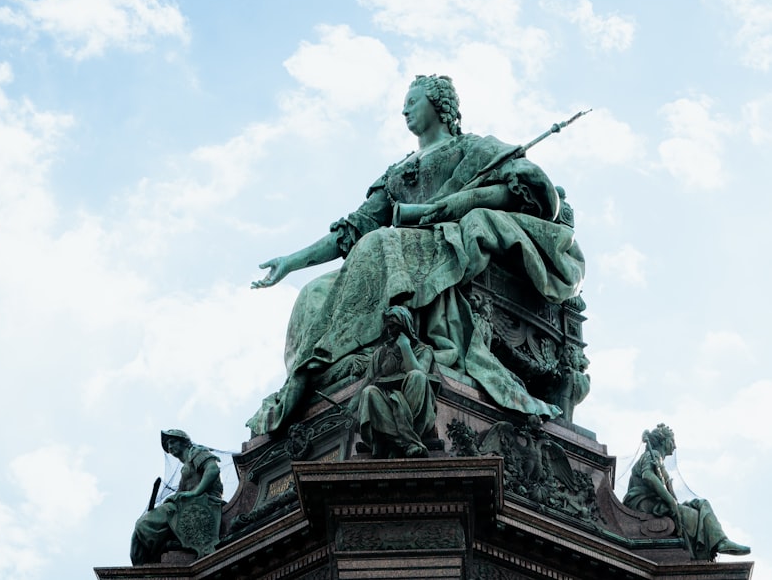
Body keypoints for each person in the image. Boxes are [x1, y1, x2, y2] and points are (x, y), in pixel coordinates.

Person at [247, 74, 585, 435]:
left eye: (413, 101)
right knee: (313, 294)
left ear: (439, 105)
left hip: (441, 243)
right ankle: (324, 373)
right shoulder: (397, 173)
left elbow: (528, 190)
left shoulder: (473, 149)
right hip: (394, 253)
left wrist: (456, 203)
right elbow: (353, 229)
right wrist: (292, 262)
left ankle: (373, 356)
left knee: (379, 244)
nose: (404, 109)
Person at [622, 424, 750, 560]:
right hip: (643, 503)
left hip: (656, 503)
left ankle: (721, 541)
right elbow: (648, 476)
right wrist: (671, 501)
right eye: (672, 441)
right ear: (664, 441)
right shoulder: (652, 455)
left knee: (702, 504)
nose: (675, 446)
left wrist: (671, 499)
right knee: (692, 515)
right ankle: (712, 545)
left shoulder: (659, 461)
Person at [354, 306, 438, 458]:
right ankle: (406, 442)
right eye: (387, 327)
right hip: (387, 402)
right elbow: (366, 382)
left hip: (414, 399)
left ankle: (401, 439)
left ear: (405, 325)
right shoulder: (381, 353)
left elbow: (420, 372)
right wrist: (350, 407)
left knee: (417, 377)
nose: (389, 331)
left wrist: (405, 346)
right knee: (369, 392)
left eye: (393, 326)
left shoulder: (424, 350)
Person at [130, 430, 224, 565]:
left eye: (172, 442)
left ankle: (160, 551)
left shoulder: (196, 452)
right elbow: (181, 493)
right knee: (139, 530)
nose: (169, 447)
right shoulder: (185, 468)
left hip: (204, 502)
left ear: (184, 442)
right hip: (186, 505)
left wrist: (195, 492)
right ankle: (146, 563)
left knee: (143, 524)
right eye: (168, 445)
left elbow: (213, 469)